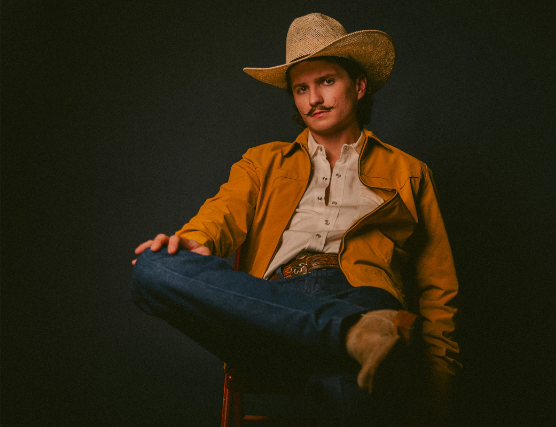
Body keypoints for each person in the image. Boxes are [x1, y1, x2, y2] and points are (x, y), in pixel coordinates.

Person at [131, 13, 460, 426]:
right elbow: (222, 211)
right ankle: (351, 333)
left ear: (359, 85)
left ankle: (356, 335)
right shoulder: (263, 161)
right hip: (271, 308)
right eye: (301, 89)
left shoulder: (409, 172)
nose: (313, 100)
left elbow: (438, 289)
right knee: (152, 267)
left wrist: (438, 391)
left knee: (353, 389)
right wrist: (196, 239)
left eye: (326, 81)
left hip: (359, 297)